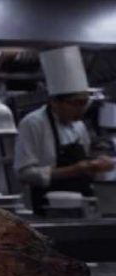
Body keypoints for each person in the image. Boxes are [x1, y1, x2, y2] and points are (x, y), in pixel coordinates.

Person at [15, 46, 115, 215]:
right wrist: (75, 169)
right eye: (76, 103)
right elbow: (24, 173)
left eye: (85, 103)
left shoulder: (79, 126)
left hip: (82, 206)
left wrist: (98, 166)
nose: (81, 109)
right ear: (55, 102)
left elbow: (86, 166)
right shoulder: (33, 123)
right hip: (48, 209)